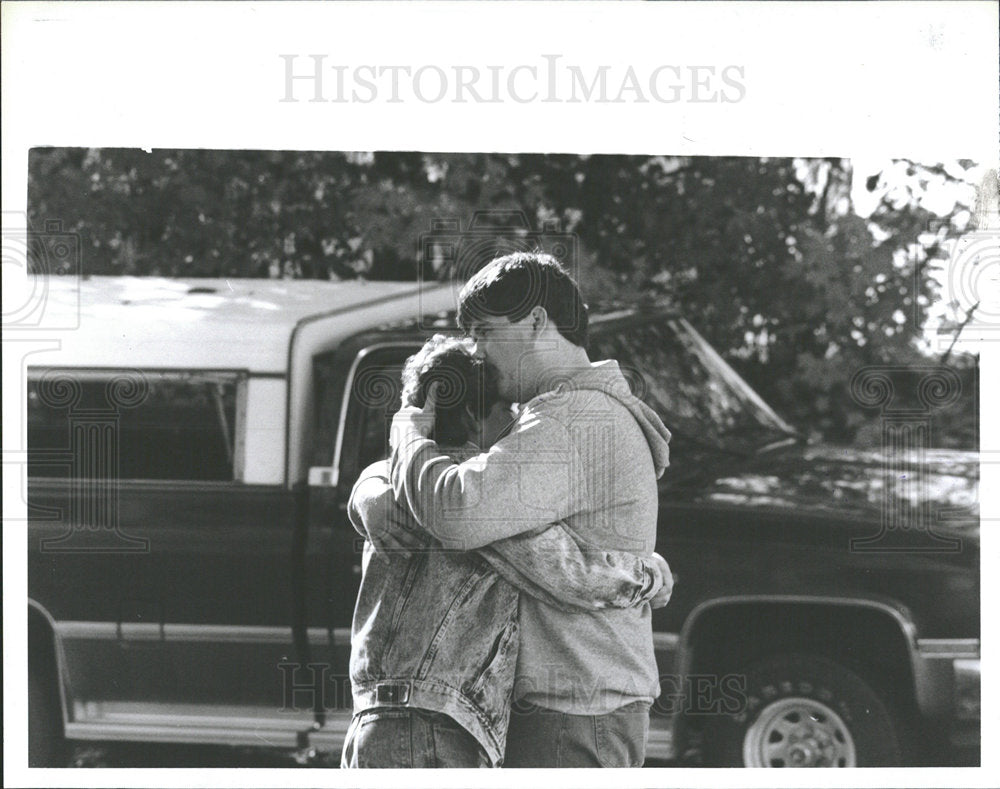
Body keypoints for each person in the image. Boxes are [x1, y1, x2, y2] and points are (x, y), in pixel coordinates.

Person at [389, 252, 673, 767]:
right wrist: (373, 490)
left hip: (571, 709)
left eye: (485, 331)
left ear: (537, 320)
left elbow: (457, 511)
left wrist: (408, 436)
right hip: (584, 703)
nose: (477, 351)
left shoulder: (570, 420)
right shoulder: (572, 414)